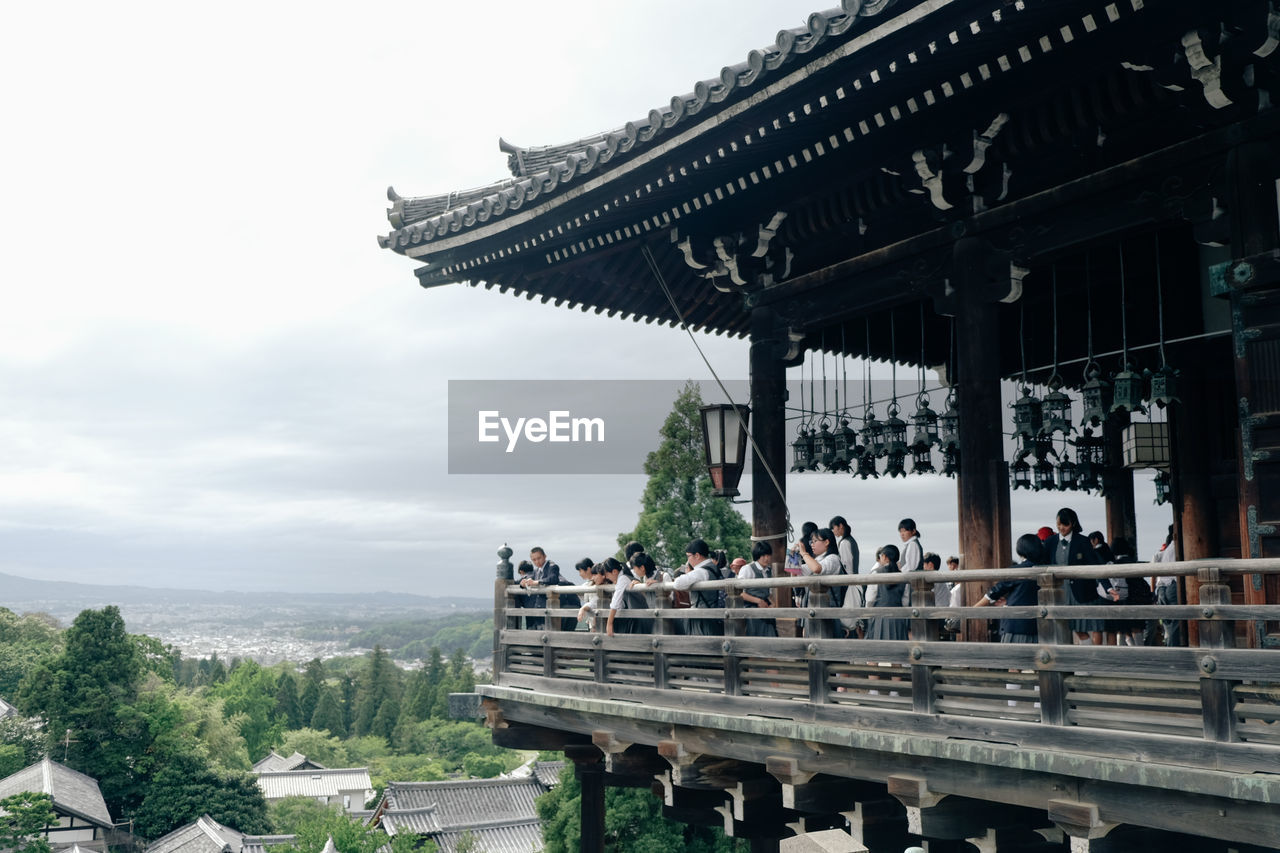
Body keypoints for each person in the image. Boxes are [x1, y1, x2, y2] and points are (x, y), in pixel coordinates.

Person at [1042, 508, 1115, 645]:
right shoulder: (1050, 542)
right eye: (1058, 524)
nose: (1061, 528)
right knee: (1063, 626)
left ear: (1073, 523)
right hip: (1058, 592)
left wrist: (1108, 587)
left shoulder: (1083, 541)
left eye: (1065, 524)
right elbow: (1042, 564)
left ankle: (1089, 655)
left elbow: (1095, 564)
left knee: (1081, 626)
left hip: (1081, 590)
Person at [972, 534, 1044, 643]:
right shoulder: (1044, 569)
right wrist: (1009, 601)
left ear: (1020, 550)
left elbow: (994, 593)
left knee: (1012, 658)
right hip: (1039, 627)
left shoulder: (1017, 571)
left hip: (1016, 626)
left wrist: (972, 610)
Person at [673, 539, 724, 636]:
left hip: (701, 619)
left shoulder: (700, 572)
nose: (688, 560)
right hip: (715, 617)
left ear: (697, 555)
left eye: (688, 556)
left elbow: (677, 584)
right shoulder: (714, 567)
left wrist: (689, 574)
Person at [799, 527, 845, 636]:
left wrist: (804, 554)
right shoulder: (816, 560)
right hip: (813, 610)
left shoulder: (833, 558)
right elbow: (796, 572)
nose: (812, 544)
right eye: (811, 541)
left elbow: (817, 569)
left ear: (827, 542)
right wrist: (793, 556)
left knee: (828, 646)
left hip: (828, 611)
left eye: (815, 541)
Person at [864, 544, 908, 641]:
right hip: (898, 618)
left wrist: (869, 613)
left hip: (879, 617)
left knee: (879, 648)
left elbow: (870, 599)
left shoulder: (876, 573)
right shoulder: (903, 577)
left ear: (884, 557)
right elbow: (905, 602)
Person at [1150, 524, 1183, 647]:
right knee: (1175, 621)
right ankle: (1173, 650)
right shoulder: (1178, 547)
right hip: (1172, 586)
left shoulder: (1166, 549)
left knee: (1167, 622)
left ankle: (1170, 647)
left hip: (1162, 587)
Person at [735, 542, 777, 637]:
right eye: (763, 555)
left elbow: (768, 593)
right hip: (751, 610)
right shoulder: (747, 569)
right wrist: (758, 601)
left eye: (768, 555)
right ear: (757, 555)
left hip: (766, 608)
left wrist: (773, 603)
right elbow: (739, 593)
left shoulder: (769, 570)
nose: (766, 558)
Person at [521, 546, 562, 630]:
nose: (537, 561)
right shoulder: (536, 571)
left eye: (539, 558)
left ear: (545, 556)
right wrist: (522, 584)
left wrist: (536, 582)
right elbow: (526, 578)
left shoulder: (552, 566)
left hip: (549, 608)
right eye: (534, 560)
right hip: (538, 608)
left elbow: (553, 579)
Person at [897, 518, 924, 606]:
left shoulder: (912, 544)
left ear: (913, 531)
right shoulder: (910, 544)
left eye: (905, 531)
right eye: (900, 531)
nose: (902, 534)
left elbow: (910, 567)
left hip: (912, 584)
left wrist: (898, 572)